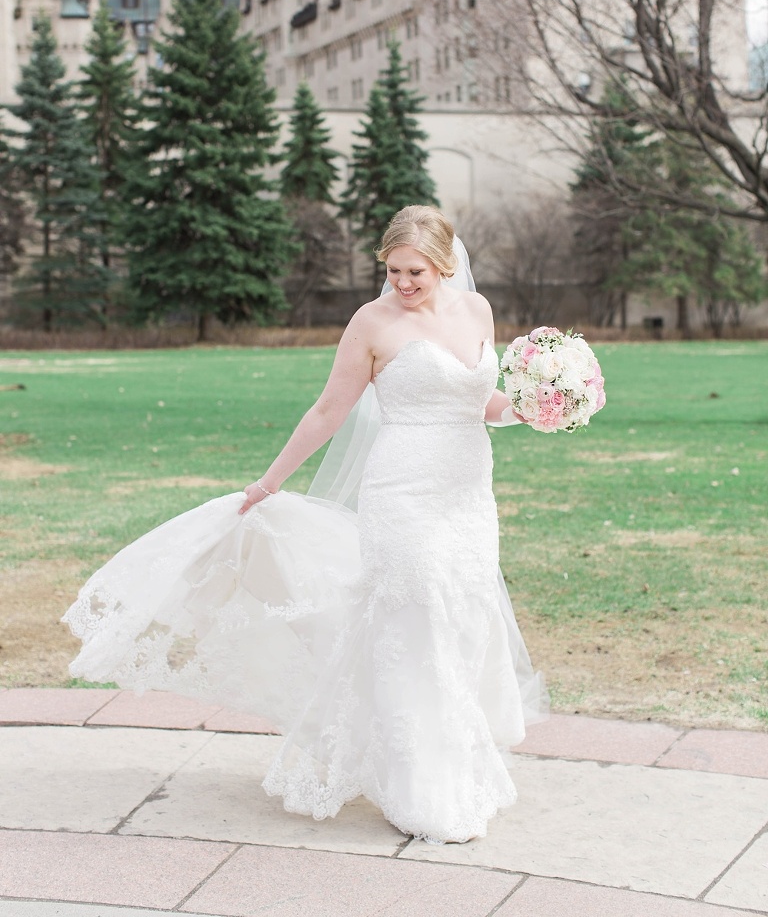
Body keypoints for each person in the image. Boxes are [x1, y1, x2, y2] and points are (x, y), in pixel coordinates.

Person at [64, 205, 547, 845]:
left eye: (417, 272)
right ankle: (418, 783)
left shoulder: (478, 313)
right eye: (395, 270)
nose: (404, 282)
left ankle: (453, 759)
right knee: (418, 615)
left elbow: (478, 402)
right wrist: (270, 481)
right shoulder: (371, 324)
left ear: (446, 265)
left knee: (457, 617)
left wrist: (534, 410)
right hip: (401, 492)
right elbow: (328, 410)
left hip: (466, 493)